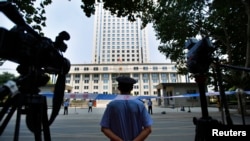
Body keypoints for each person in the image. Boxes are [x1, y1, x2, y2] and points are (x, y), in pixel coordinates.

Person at [100, 76, 153, 141]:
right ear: (132, 88)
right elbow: (148, 129)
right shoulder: (140, 105)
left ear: (118, 88)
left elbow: (104, 128)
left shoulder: (112, 105)